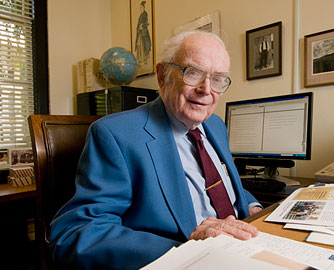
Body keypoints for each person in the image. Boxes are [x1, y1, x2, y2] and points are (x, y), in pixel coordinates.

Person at [50, 30, 262, 269]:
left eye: (217, 79)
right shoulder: (114, 134)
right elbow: (76, 232)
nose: (206, 89)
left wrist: (253, 207)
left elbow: (222, 183)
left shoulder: (215, 124)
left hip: (247, 244)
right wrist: (187, 250)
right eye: (193, 73)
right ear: (163, 76)